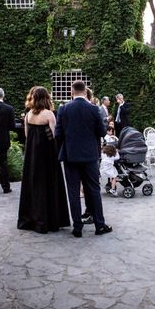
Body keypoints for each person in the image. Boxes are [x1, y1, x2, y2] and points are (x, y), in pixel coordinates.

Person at [55, 80, 111, 238]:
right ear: (85, 92)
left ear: (72, 92)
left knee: (73, 192)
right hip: (90, 156)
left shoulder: (63, 109)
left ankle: (77, 228)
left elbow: (58, 134)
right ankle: (99, 225)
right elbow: (101, 132)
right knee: (93, 190)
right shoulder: (94, 109)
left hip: (70, 156)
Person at [17, 86, 70, 233]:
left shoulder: (28, 115)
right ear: (46, 98)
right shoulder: (49, 114)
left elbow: (27, 135)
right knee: (48, 184)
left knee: (33, 184)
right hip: (47, 155)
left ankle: (32, 219)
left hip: (32, 155)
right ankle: (50, 220)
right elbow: (55, 135)